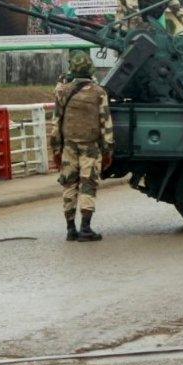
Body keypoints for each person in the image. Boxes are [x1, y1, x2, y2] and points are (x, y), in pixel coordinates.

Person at [50, 52, 114, 242]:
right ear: (90, 69)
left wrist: (56, 150)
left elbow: (56, 124)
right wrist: (108, 150)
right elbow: (106, 123)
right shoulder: (98, 92)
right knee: (88, 185)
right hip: (90, 147)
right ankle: (85, 228)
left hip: (69, 147)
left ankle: (71, 229)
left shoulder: (62, 91)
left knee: (69, 185)